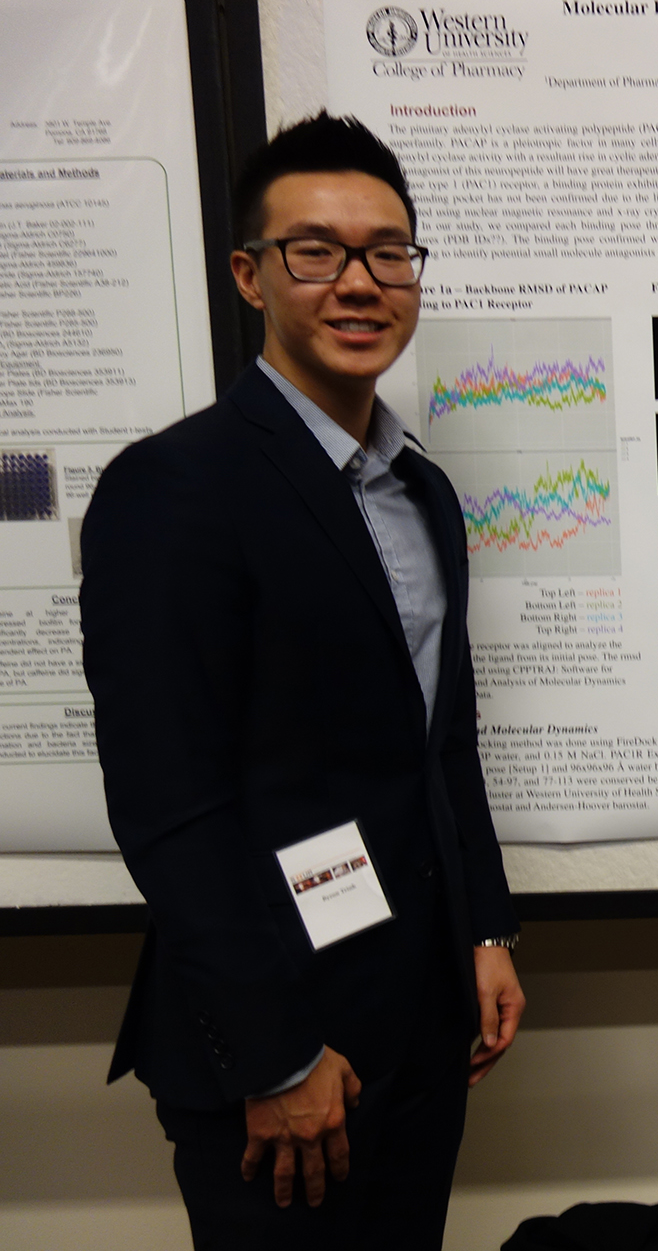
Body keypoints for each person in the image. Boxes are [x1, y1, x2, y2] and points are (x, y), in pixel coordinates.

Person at [80, 113, 524, 1248]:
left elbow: (444, 735)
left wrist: (484, 931)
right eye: (315, 251)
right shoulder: (174, 488)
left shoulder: (420, 491)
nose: (359, 281)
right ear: (250, 274)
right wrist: (274, 1051)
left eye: (388, 251)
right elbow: (169, 806)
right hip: (276, 1051)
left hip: (417, 1017)